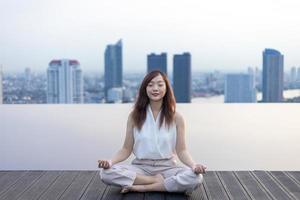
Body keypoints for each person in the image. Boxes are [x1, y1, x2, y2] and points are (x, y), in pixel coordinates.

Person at [98, 70, 206, 194]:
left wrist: (194, 166)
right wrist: (110, 162)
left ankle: (144, 187)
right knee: (105, 173)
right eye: (150, 85)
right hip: (140, 167)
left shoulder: (177, 117)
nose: (155, 88)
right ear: (145, 89)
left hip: (168, 167)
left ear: (166, 88)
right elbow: (126, 149)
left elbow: (182, 151)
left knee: (196, 177)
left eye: (160, 84)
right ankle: (155, 181)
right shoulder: (134, 116)